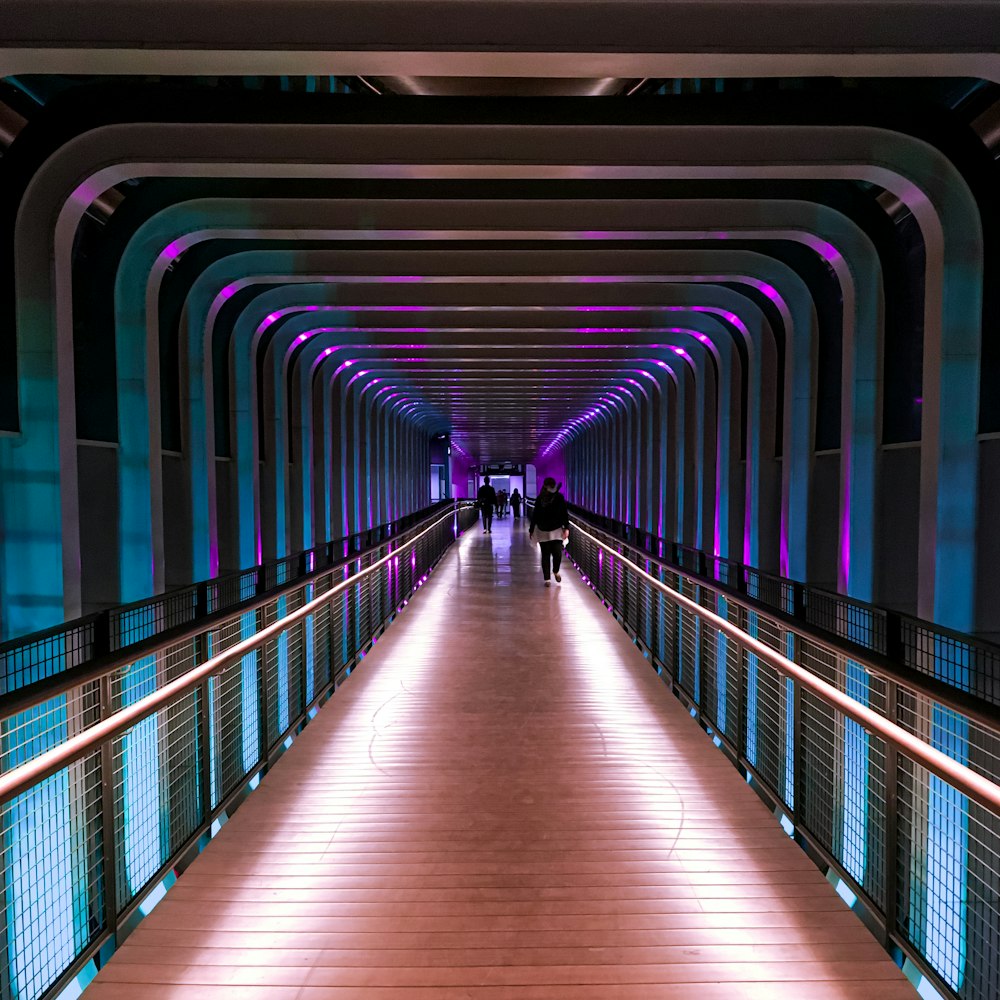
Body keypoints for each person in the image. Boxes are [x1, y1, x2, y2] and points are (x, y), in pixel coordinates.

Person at [528, 477, 570, 586]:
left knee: (557, 554)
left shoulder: (559, 498)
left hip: (556, 529)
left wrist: (566, 527)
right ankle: (547, 579)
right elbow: (535, 515)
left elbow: (564, 513)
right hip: (543, 530)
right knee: (546, 554)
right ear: (546, 486)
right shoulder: (540, 499)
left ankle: (555, 571)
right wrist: (531, 529)